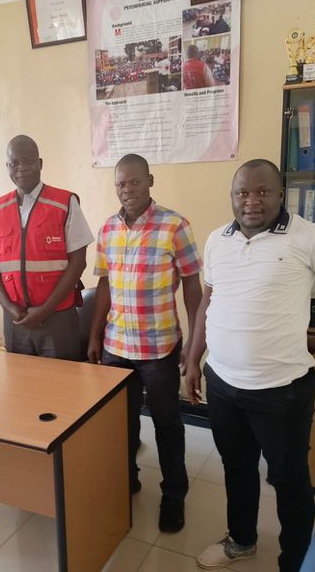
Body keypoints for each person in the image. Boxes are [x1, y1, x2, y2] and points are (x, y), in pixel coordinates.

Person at [185, 159, 315, 571]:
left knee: (289, 480)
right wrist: (194, 359)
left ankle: (295, 561)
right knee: (237, 468)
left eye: (263, 192)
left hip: (281, 392)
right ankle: (241, 540)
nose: (252, 201)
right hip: (223, 384)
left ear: (281, 194)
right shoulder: (217, 240)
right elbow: (208, 301)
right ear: (232, 197)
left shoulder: (310, 237)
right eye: (243, 193)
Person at [87, 153, 202, 534]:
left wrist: (194, 342)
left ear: (150, 181)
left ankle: (174, 495)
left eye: (134, 181)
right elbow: (104, 284)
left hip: (159, 348)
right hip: (116, 346)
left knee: (167, 424)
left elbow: (192, 283)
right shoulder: (107, 229)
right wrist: (95, 334)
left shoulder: (175, 225)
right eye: (120, 183)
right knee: (120, 422)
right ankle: (127, 479)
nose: (127, 189)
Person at [0, 135, 94, 360]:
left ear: (40, 163)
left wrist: (46, 310)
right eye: (14, 163)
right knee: (20, 380)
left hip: (58, 317)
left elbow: (78, 262)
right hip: (15, 319)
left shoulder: (65, 203)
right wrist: (9, 307)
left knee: (63, 379)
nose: (21, 168)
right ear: (7, 167)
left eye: (29, 161)